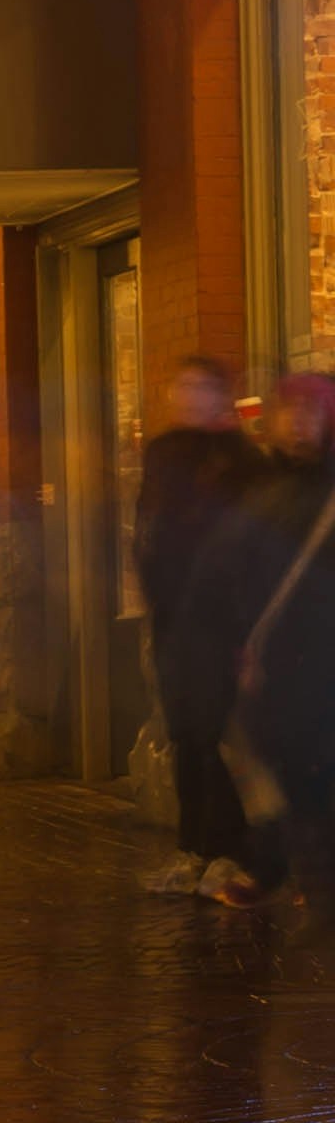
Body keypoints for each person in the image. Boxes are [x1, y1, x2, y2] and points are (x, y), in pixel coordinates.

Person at [137, 356, 271, 899]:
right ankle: (192, 848)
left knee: (213, 735)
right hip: (173, 618)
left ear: (222, 396)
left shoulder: (243, 462)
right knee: (185, 735)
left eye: (202, 387)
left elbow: (250, 549)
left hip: (223, 620)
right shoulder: (164, 452)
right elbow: (150, 529)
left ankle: (230, 850)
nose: (190, 396)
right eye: (182, 385)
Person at [215, 377, 335, 913]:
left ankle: (299, 870)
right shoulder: (263, 493)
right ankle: (290, 865)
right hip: (281, 656)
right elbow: (228, 573)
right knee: (278, 754)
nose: (300, 421)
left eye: (312, 411)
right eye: (291, 411)